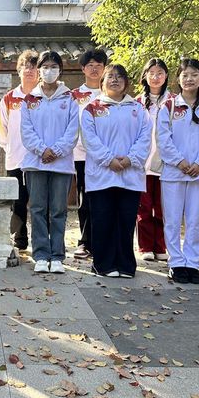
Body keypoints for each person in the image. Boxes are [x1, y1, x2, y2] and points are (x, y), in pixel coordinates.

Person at [81, 64, 151, 278]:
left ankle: (125, 265)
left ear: (126, 82)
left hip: (130, 175)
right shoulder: (91, 108)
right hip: (102, 175)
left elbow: (145, 137)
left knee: (126, 220)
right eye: (110, 76)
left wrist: (130, 159)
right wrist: (108, 160)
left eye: (120, 77)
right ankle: (103, 264)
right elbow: (89, 139)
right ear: (102, 82)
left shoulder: (138, 109)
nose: (115, 80)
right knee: (103, 220)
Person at [157, 59, 199, 284]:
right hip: (174, 173)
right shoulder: (168, 107)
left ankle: (192, 263)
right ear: (178, 79)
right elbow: (163, 139)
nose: (189, 79)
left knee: (194, 221)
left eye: (194, 75)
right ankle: (176, 262)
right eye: (185, 75)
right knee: (172, 220)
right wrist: (180, 162)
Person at [20, 50, 80, 274]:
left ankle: (57, 256)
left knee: (58, 210)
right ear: (39, 70)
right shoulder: (29, 100)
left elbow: (72, 131)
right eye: (45, 67)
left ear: (60, 70)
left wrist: (55, 151)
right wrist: (42, 150)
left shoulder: (69, 98)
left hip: (61, 164)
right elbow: (26, 131)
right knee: (37, 208)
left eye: (54, 67)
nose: (49, 71)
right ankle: (41, 254)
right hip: (36, 163)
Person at [0, 50, 38, 251]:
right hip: (16, 158)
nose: (29, 70)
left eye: (33, 67)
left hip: (40, 159)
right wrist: (10, 148)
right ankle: (20, 239)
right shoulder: (9, 98)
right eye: (25, 66)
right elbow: (2, 128)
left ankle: (41, 241)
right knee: (18, 201)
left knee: (40, 202)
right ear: (19, 70)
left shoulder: (43, 97)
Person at [71, 49, 107, 259]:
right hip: (81, 155)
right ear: (83, 68)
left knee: (103, 197)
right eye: (90, 65)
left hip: (107, 156)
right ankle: (84, 242)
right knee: (85, 197)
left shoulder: (110, 94)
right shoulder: (74, 95)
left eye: (99, 65)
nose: (94, 69)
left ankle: (101, 241)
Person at [135, 58, 171, 262]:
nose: (156, 77)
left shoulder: (174, 102)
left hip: (167, 163)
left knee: (164, 207)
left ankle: (161, 245)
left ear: (166, 77)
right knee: (144, 208)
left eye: (160, 73)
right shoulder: (136, 102)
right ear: (145, 76)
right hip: (143, 163)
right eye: (152, 73)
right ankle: (145, 246)